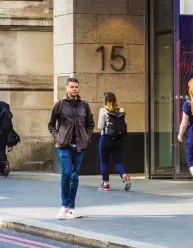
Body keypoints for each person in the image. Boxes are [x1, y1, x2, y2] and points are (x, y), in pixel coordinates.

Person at [48, 77, 94, 220]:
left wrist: (86, 137)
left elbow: (90, 124)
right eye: (72, 87)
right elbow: (51, 124)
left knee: (75, 176)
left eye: (76, 87)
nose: (74, 89)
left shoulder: (84, 105)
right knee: (66, 174)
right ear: (66, 88)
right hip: (64, 146)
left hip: (79, 146)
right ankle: (64, 206)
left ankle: (72, 208)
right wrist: (58, 137)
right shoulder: (60, 104)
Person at [97, 92, 131, 191]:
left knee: (104, 161)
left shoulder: (103, 110)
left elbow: (100, 126)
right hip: (118, 139)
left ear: (105, 100)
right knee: (118, 161)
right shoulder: (121, 110)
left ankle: (106, 184)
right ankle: (124, 175)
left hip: (106, 138)